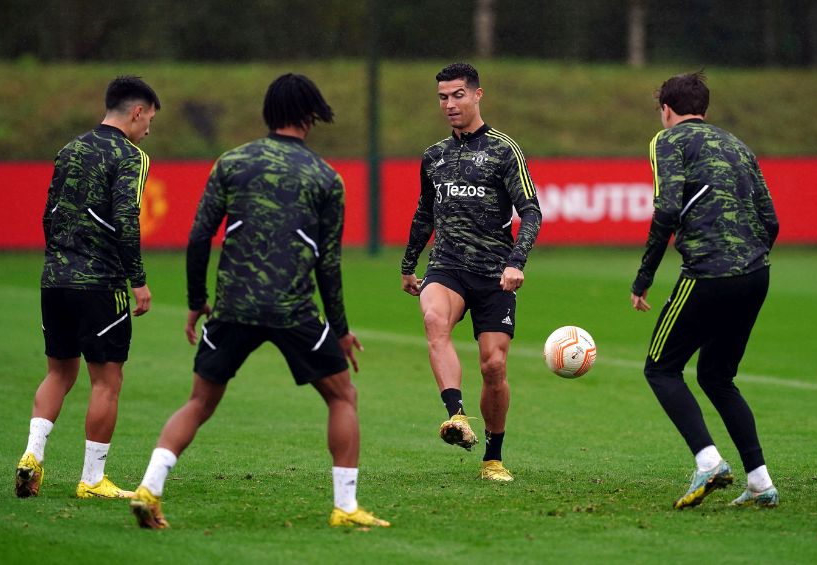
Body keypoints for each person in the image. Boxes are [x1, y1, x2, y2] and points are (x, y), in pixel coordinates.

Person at [129, 73, 389, 529]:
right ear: (310, 114)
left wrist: (196, 300)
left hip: (233, 307)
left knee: (199, 403)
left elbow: (197, 237)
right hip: (294, 311)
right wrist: (341, 329)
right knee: (343, 396)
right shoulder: (327, 178)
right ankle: (346, 508)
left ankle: (149, 487)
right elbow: (328, 264)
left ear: (269, 113)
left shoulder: (231, 162)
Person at [631, 72, 780, 509]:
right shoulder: (738, 145)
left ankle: (709, 460)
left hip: (708, 274)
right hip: (756, 276)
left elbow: (668, 208)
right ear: (706, 110)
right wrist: (747, 262)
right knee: (717, 377)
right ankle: (759, 481)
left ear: (666, 110)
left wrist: (643, 280)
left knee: (660, 369)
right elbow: (770, 220)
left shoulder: (667, 141)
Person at [15, 76, 159, 499]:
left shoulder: (69, 149)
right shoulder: (131, 156)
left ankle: (31, 455)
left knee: (58, 371)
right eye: (149, 118)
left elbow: (48, 213)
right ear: (136, 112)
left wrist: (60, 257)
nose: (148, 128)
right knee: (106, 381)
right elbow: (127, 219)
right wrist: (139, 281)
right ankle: (93, 478)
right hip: (100, 283)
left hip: (54, 277)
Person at [400, 63, 542, 482]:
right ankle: (456, 416)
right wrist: (409, 265)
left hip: (495, 272)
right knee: (433, 320)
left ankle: (492, 457)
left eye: (458, 95)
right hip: (446, 266)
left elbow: (531, 211)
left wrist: (517, 262)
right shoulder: (434, 156)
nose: (449, 104)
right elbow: (425, 213)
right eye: (443, 97)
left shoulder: (504, 150)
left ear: (478, 95)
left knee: (493, 366)